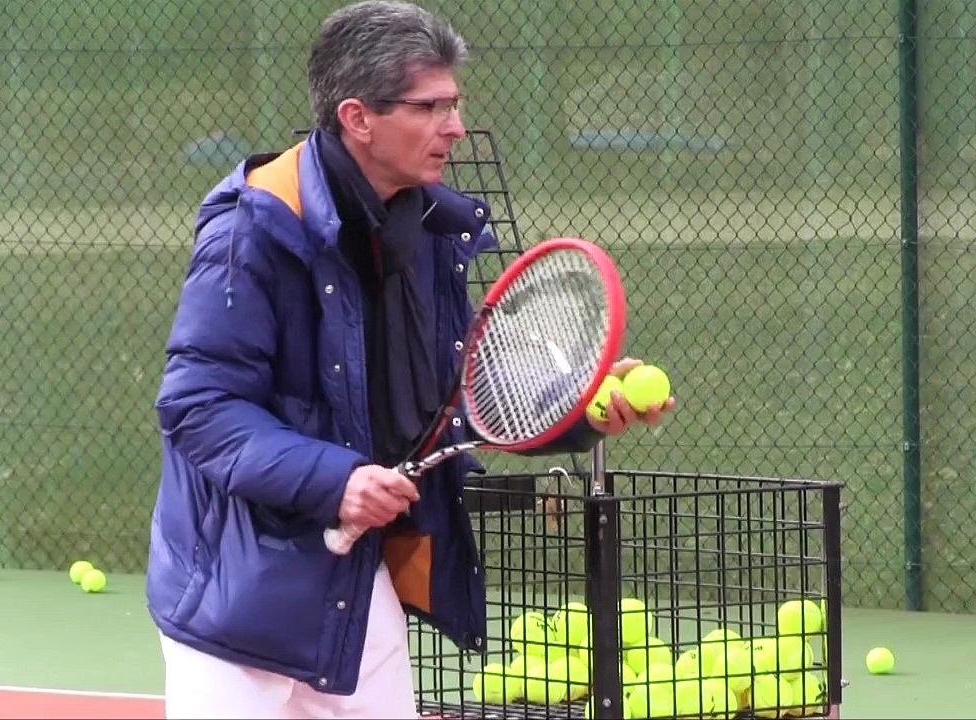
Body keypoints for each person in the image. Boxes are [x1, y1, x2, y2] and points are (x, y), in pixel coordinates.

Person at [145, 2, 674, 717]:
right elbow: (199, 409)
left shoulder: (427, 229)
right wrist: (338, 479)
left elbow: (458, 400)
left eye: (453, 105)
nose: (454, 127)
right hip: (235, 595)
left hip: (354, 586)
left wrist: (579, 407)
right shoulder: (250, 231)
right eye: (430, 107)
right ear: (359, 117)